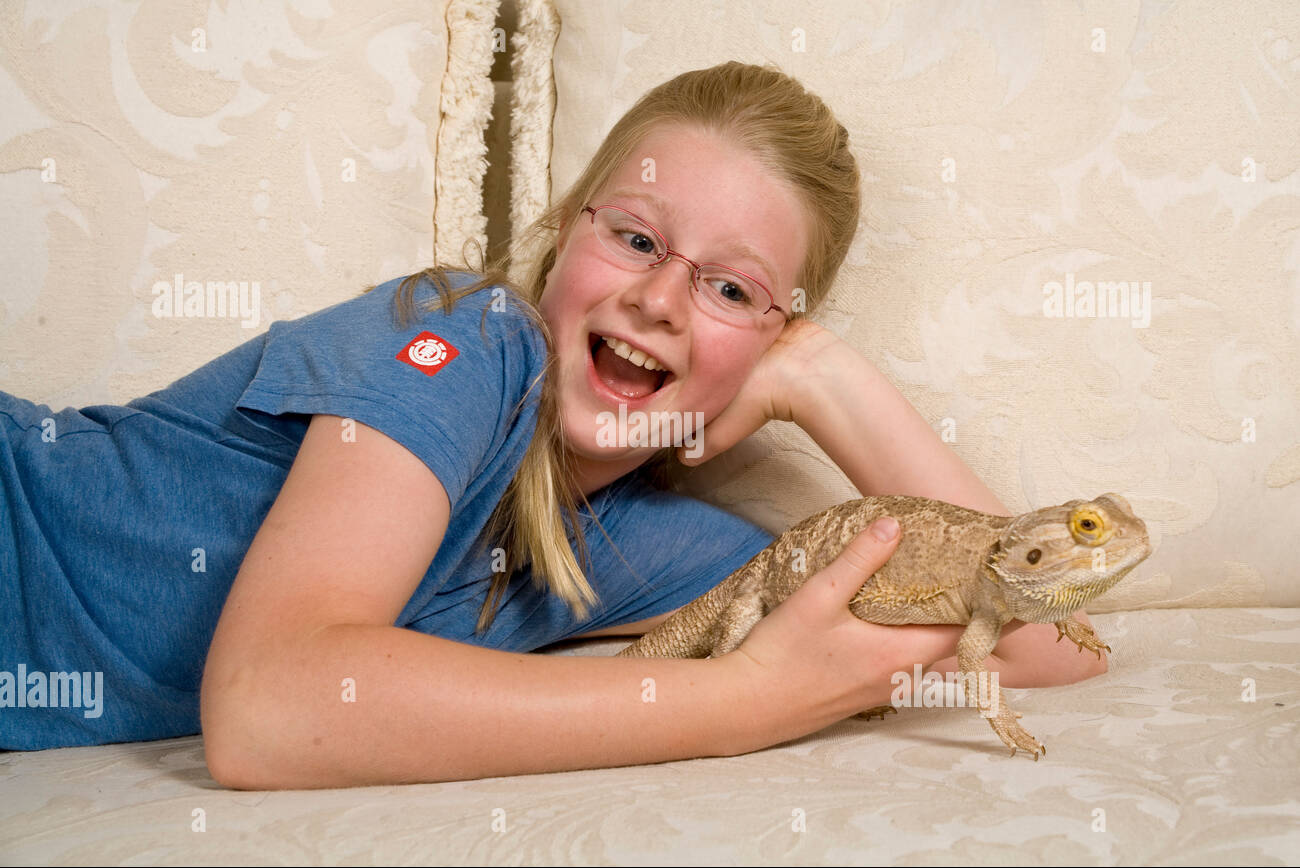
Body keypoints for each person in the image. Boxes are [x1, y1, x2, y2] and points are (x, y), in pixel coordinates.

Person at [0, 62, 1103, 785]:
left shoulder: (634, 544)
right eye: (633, 238)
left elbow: (1044, 632)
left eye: (732, 291)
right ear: (563, 233)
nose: (661, 300)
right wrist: (737, 698)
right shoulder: (461, 340)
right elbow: (264, 704)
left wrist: (831, 382)